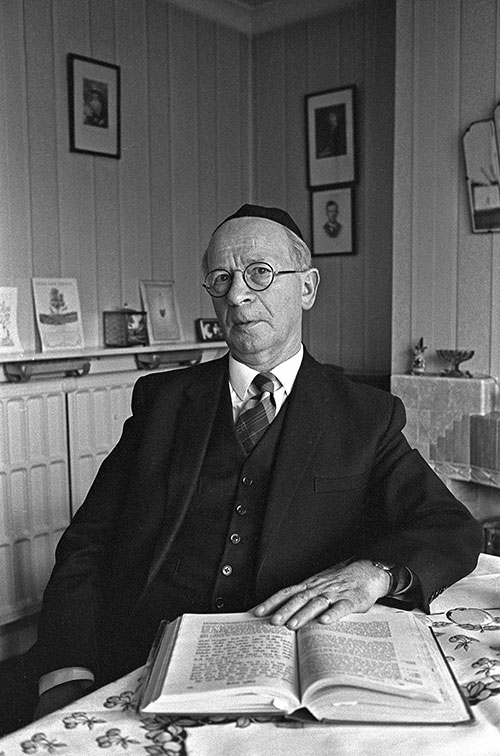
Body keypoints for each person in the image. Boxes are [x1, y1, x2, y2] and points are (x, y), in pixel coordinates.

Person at [29, 204, 482, 719]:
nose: (238, 295)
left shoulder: (364, 414)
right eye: (220, 279)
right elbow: (89, 540)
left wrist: (375, 573)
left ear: (307, 288)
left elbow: (451, 527)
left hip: (284, 664)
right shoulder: (161, 401)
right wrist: (65, 668)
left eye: (260, 273)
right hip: (140, 654)